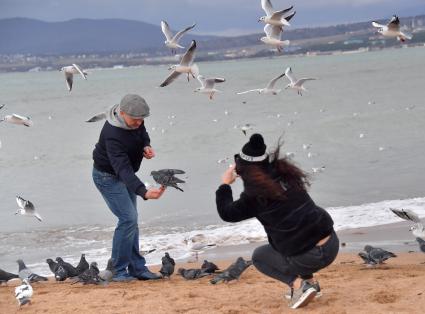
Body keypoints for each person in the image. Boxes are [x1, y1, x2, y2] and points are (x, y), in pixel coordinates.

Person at [215, 134, 338, 309]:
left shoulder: (254, 196)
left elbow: (227, 213)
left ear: (243, 168)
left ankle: (299, 285)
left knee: (260, 257)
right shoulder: (286, 175)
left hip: (310, 256)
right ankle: (312, 285)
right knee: (295, 233)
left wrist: (225, 185)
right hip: (332, 243)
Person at [92, 94, 165, 282]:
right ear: (122, 113)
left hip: (125, 175)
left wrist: (146, 146)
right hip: (107, 177)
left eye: (142, 119)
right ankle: (117, 270)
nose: (139, 123)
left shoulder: (135, 121)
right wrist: (143, 191)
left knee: (131, 220)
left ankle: (137, 268)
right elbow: (122, 169)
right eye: (135, 120)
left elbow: (142, 134)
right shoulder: (112, 134)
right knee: (128, 219)